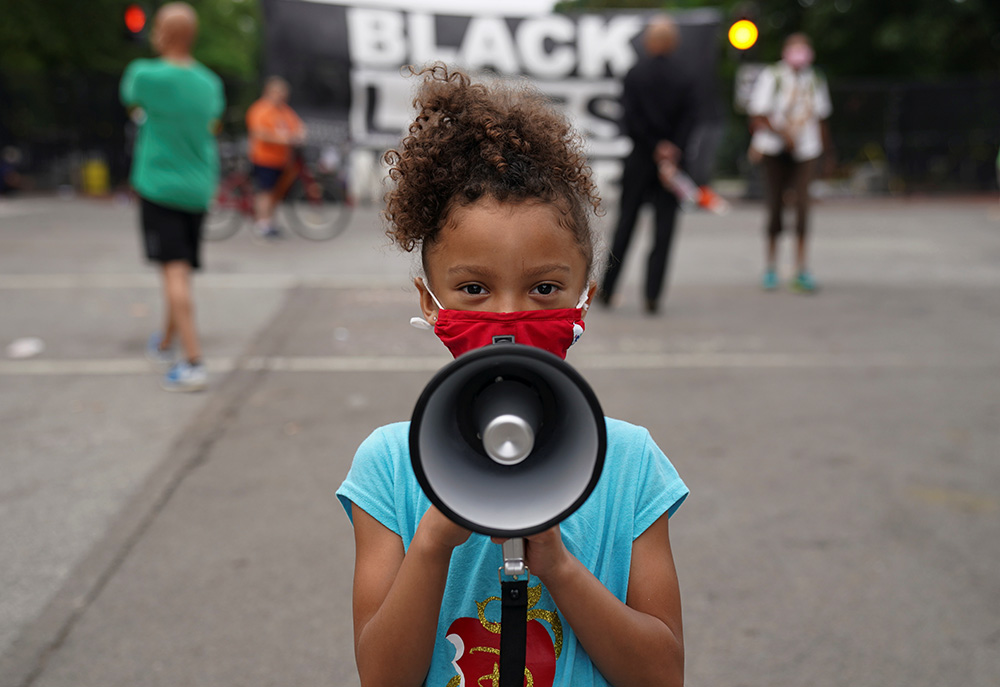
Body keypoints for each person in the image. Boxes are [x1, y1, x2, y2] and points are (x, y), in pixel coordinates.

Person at [336, 65, 688, 687]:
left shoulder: (631, 463)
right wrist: (433, 542)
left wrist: (556, 561)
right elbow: (382, 677)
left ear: (585, 296)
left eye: (544, 289)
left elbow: (661, 675)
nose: (507, 318)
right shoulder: (389, 465)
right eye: (473, 288)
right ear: (429, 300)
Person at [120, 2, 224, 392]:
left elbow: (131, 99)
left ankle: (193, 360)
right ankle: (165, 340)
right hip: (198, 187)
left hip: (159, 185)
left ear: (161, 32)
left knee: (173, 271)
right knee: (176, 268)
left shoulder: (144, 75)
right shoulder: (210, 83)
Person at [599, 15, 698, 315]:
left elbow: (630, 119)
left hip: (642, 157)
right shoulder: (685, 75)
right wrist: (671, 148)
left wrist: (654, 145)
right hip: (672, 163)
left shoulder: (635, 74)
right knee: (664, 229)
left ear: (648, 41)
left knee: (626, 222)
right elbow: (690, 119)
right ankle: (653, 296)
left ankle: (608, 288)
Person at [746, 32, 833, 293]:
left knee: (803, 208)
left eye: (803, 49)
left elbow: (821, 118)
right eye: (795, 48)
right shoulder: (772, 77)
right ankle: (771, 266)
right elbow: (757, 116)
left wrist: (827, 155)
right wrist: (783, 135)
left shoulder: (815, 79)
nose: (799, 54)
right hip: (774, 150)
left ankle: (801, 267)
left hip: (806, 150)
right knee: (774, 207)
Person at [245, 76, 306, 240]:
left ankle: (269, 221)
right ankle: (262, 224)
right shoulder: (260, 109)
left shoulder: (284, 111)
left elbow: (298, 126)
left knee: (275, 193)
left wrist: (300, 135)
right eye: (277, 92)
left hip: (282, 160)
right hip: (264, 158)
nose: (281, 96)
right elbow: (259, 133)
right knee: (265, 191)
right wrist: (284, 139)